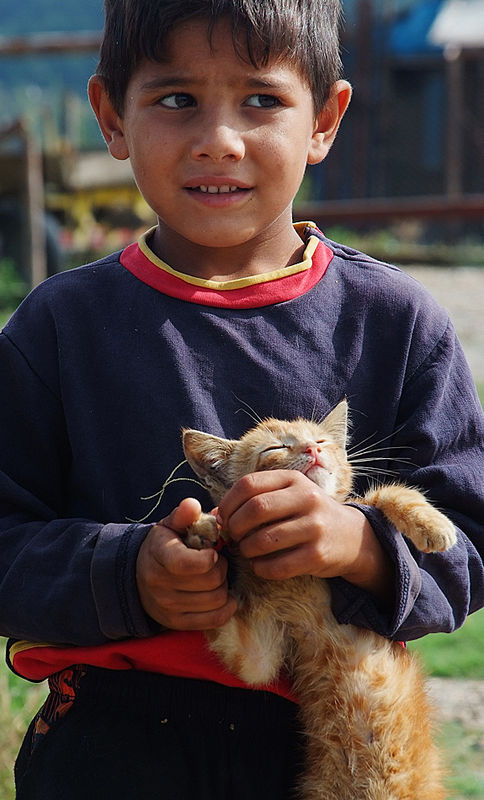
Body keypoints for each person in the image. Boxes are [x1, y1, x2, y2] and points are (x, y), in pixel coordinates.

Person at [1, 1, 483, 797]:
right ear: (111, 117)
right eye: (176, 98)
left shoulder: (395, 323)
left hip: (339, 745)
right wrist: (129, 573)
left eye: (262, 99)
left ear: (324, 120)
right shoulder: (60, 327)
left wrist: (358, 545)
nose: (219, 139)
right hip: (111, 752)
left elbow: (467, 547)